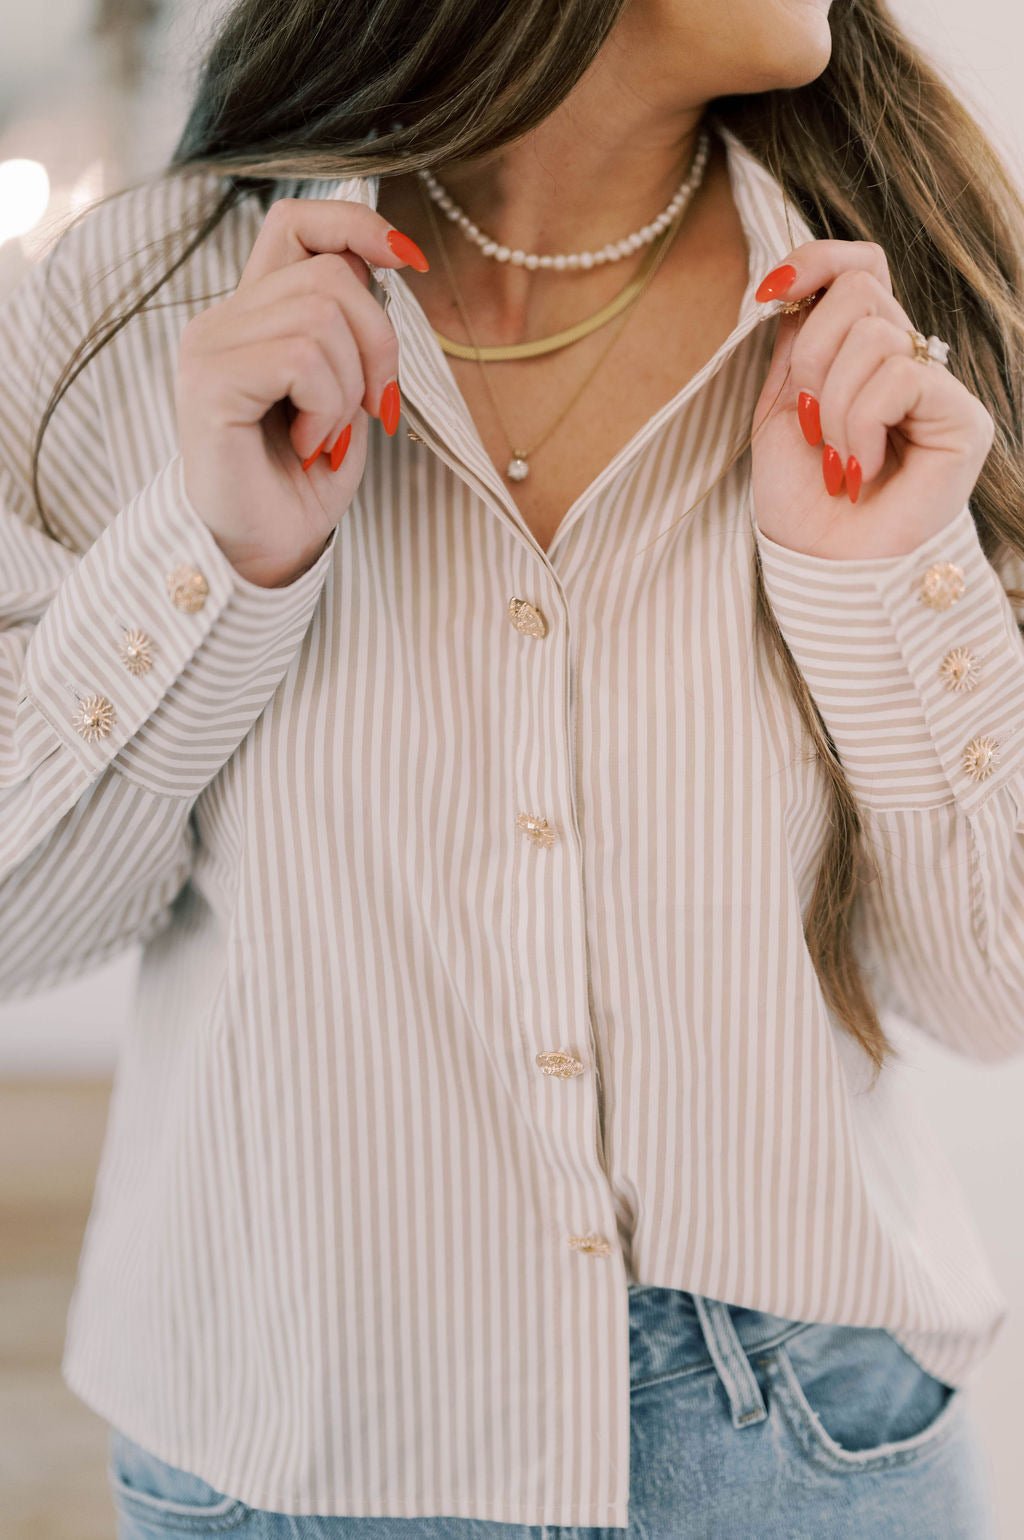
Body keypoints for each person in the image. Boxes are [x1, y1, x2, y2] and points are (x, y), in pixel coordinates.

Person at [1, 0, 1021, 1534]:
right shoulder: (133, 308)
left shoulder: (906, 314)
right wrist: (210, 566)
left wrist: (877, 585)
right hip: (290, 1449)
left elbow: (994, 989)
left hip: (803, 1449)